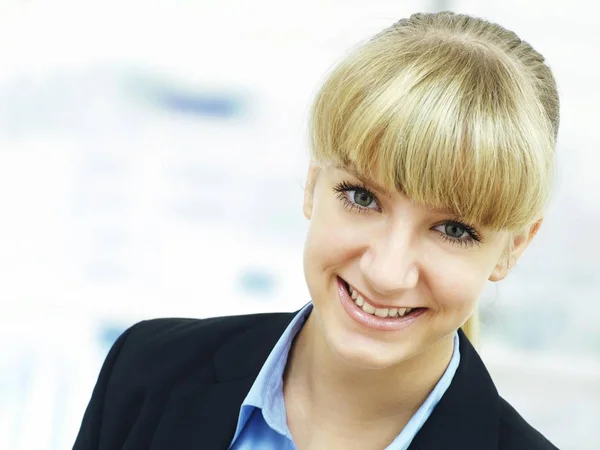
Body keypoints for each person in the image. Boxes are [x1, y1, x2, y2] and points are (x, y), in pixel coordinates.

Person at [73, 11, 561, 450]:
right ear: (312, 182)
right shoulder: (145, 374)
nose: (388, 273)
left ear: (513, 248)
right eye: (362, 197)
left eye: (453, 229)